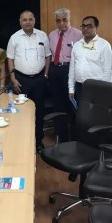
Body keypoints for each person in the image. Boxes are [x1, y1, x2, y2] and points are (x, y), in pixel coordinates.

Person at [7, 10, 51, 153]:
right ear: (20, 22)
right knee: (21, 112)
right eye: (24, 20)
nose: (27, 22)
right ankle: (22, 142)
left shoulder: (42, 35)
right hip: (21, 80)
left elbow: (48, 56)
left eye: (30, 19)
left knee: (39, 112)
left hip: (39, 80)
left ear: (34, 20)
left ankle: (38, 142)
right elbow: (10, 59)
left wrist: (45, 75)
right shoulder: (14, 38)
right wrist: (13, 79)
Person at [48, 8, 83, 142]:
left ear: (69, 19)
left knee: (73, 106)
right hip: (56, 71)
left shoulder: (79, 35)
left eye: (64, 20)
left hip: (71, 71)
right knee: (58, 106)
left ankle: (75, 140)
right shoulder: (51, 35)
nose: (62, 23)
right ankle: (61, 140)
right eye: (58, 21)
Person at [68, 15, 112, 102]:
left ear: (96, 27)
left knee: (96, 114)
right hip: (79, 86)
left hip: (97, 88)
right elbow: (72, 69)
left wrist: (104, 90)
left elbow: (108, 71)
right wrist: (71, 89)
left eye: (89, 26)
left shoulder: (104, 45)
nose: (85, 29)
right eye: (83, 26)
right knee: (80, 113)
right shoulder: (77, 45)